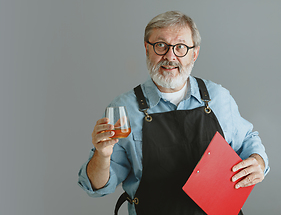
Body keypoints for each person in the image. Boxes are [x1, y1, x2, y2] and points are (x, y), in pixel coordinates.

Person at [78, 11, 269, 215]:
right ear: (146, 48)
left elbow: (248, 138)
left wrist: (258, 160)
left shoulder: (218, 98)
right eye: (161, 45)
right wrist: (102, 155)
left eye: (180, 47)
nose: (170, 56)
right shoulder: (124, 108)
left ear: (194, 53)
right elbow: (97, 188)